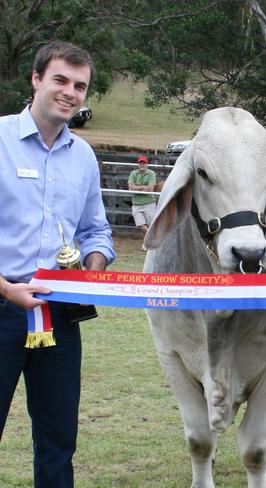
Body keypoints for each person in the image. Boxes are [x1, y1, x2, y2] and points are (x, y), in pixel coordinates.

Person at [0, 41, 115, 487]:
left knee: (58, 439)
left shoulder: (83, 158)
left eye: (80, 85)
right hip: (3, 307)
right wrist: (7, 290)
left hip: (61, 319)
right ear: (36, 79)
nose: (70, 92)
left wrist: (94, 265)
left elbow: (96, 231)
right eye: (60, 80)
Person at [128, 154, 157, 242]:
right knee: (140, 224)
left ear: (147, 164)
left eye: (144, 163)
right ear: (138, 164)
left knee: (152, 225)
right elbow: (130, 187)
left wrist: (137, 187)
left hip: (149, 203)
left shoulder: (151, 173)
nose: (142, 165)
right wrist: (143, 187)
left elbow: (150, 189)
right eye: (140, 163)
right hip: (136, 203)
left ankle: (146, 244)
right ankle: (151, 239)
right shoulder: (133, 173)